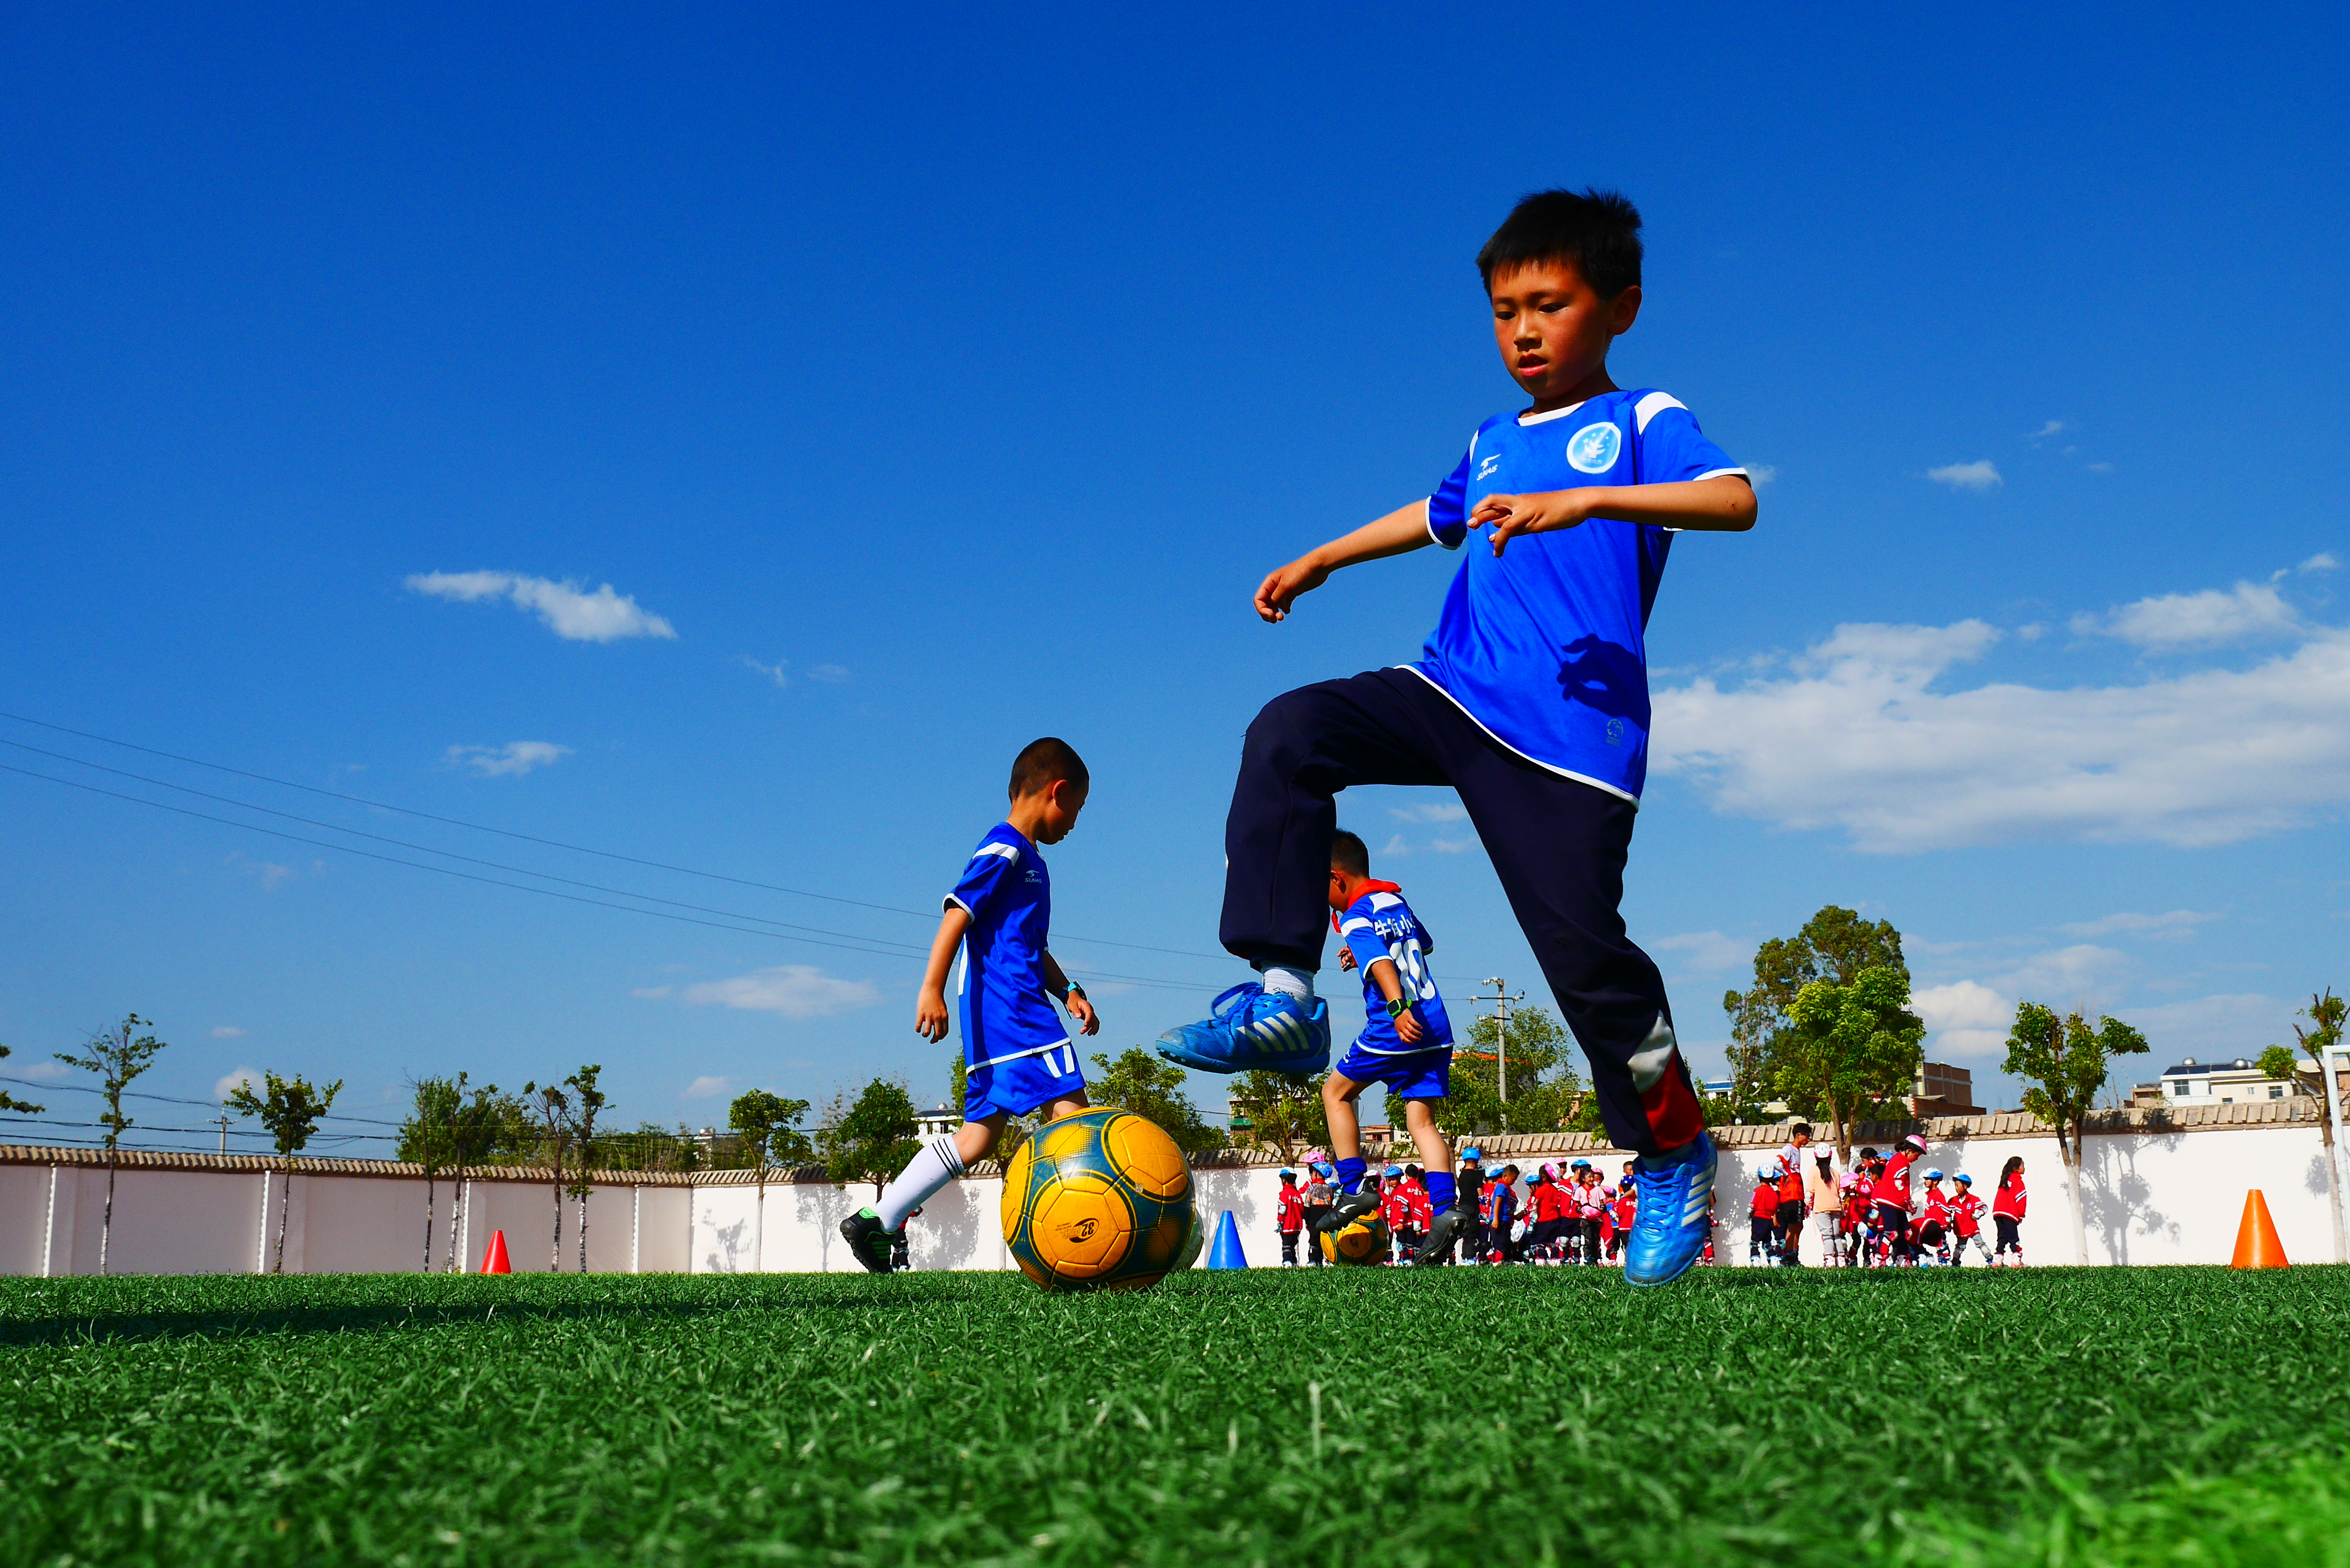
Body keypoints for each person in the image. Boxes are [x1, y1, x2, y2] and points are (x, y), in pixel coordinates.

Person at [1152, 188, 1759, 1289]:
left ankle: (1670, 1146)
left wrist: (1593, 504)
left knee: (1591, 968)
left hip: (1569, 740)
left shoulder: (1640, 419)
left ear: (1619, 305)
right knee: (1289, 731)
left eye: (1548, 304)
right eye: (1500, 310)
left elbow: (1733, 498)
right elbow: (1427, 516)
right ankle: (1286, 990)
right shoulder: (1487, 439)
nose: (1522, 330)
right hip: (1451, 689)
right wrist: (1324, 556)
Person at [842, 738, 1099, 1271]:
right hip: (1012, 1010)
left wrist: (1068, 988)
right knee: (1071, 1112)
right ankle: (1085, 1241)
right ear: (1058, 792)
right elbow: (956, 913)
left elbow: (1031, 947)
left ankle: (877, 1220)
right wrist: (929, 986)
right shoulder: (1004, 848)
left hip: (998, 1016)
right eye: (1076, 810)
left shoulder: (1031, 862)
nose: (1075, 823)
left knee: (977, 1138)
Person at [1302, 830, 1468, 1264]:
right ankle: (1446, 1210)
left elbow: (1381, 962)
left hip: (1399, 1026)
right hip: (1437, 1027)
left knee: (1335, 1092)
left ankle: (1355, 1188)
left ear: (1337, 878)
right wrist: (1365, 954)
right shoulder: (1396, 901)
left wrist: (1396, 1006)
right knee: (1422, 1122)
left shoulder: (1356, 914)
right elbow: (1422, 944)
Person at [1870, 1133, 1929, 1267]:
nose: (1916, 1159)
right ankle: (1880, 1258)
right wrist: (1909, 1201)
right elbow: (1900, 1184)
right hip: (1890, 1201)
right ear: (1909, 1151)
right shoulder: (1900, 1163)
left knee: (1906, 1232)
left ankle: (1902, 1258)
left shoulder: (1900, 1161)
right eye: (1917, 1156)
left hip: (1897, 1203)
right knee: (1891, 1232)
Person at [1804, 1144, 1845, 1268]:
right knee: (1836, 1235)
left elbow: (1809, 1193)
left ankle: (1830, 1260)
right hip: (1836, 1208)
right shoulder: (1836, 1173)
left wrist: (1808, 1205)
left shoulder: (1814, 1171)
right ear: (1830, 1157)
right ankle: (1842, 1259)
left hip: (1821, 1209)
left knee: (1827, 1236)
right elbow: (1842, 1193)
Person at [1991, 1156, 2028, 1267]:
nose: (2025, 1169)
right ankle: (2016, 1260)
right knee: (2013, 1237)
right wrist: (2021, 1215)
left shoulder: (2004, 1180)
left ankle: (1997, 1259)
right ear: (2017, 1169)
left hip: (1998, 1212)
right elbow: (2021, 1199)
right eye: (2023, 1166)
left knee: (2002, 1236)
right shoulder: (2018, 1181)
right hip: (2010, 1213)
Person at [1947, 1173, 1987, 1267]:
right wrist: (1948, 1223)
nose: (1956, 1188)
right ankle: (1955, 1263)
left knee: (1981, 1245)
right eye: (1955, 1186)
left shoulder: (1973, 1199)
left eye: (1958, 1186)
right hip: (1960, 1230)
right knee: (1959, 1248)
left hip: (1972, 1228)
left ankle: (1990, 1261)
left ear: (1965, 1186)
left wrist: (1980, 1213)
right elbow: (1946, 1211)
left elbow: (1984, 1207)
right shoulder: (1953, 1201)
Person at [1302, 1162, 1337, 1265]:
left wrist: (1307, 1220)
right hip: (1326, 1216)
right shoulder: (1330, 1189)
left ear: (1316, 1174)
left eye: (1313, 1173)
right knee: (1324, 1239)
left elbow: (1307, 1205)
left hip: (1314, 1216)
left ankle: (1313, 1260)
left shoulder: (1311, 1188)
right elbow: (1332, 1204)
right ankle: (1323, 1260)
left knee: (1314, 1239)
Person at [1455, 1148, 1486, 1262]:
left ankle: (1464, 1258)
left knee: (1465, 1234)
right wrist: (1484, 1203)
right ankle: (1471, 1258)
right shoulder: (1476, 1175)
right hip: (1472, 1207)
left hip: (1462, 1207)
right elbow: (1480, 1192)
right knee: (1473, 1234)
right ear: (1476, 1162)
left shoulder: (1461, 1175)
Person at [1747, 1163, 1780, 1267]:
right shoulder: (1775, 1193)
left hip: (1758, 1219)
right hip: (1768, 1220)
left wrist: (1749, 1212)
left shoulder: (1757, 1191)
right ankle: (1774, 1261)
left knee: (1754, 1243)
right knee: (1767, 1243)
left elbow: (1753, 1205)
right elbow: (1775, 1207)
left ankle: (1756, 1261)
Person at [1917, 1171, 1953, 1267]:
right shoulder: (1930, 1195)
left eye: (1927, 1179)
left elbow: (1946, 1209)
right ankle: (1934, 1259)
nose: (1925, 1182)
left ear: (1935, 1181)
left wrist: (1948, 1222)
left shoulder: (1938, 1195)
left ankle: (1946, 1262)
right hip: (1931, 1226)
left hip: (1939, 1226)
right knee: (1934, 1244)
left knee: (1941, 1245)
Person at [1275, 1169, 1305, 1267]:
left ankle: (1287, 1263)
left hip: (1287, 1226)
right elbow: (1302, 1210)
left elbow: (1282, 1209)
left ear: (1284, 1180)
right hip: (1297, 1227)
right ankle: (1294, 1263)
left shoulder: (1284, 1194)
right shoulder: (1298, 1195)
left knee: (1286, 1246)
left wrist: (1280, 1223)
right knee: (1293, 1246)